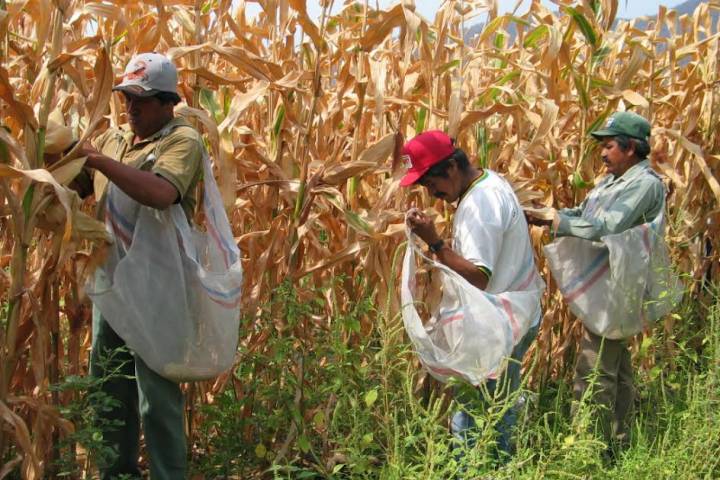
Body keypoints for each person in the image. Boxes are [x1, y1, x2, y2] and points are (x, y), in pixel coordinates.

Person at [76, 52, 204, 479]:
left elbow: (161, 193)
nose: (130, 108)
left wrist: (97, 160)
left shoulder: (181, 141)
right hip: (112, 283)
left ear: (168, 102)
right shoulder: (114, 141)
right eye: (126, 98)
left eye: (141, 100)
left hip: (159, 288)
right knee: (109, 388)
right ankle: (117, 473)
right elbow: (82, 185)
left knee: (156, 395)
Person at [526, 111, 665, 453]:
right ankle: (618, 444)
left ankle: (585, 449)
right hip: (606, 282)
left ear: (631, 148)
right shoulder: (610, 181)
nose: (602, 153)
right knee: (616, 366)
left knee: (594, 367)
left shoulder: (645, 184)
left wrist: (556, 221)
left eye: (609, 146)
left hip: (619, 285)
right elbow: (585, 214)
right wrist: (546, 214)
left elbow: (608, 227)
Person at [401, 130, 544, 460]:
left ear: (451, 167)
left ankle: (486, 469)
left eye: (431, 183)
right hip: (507, 317)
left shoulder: (480, 205)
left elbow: (479, 277)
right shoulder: (487, 183)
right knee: (491, 408)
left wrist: (434, 242)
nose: (432, 193)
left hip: (502, 323)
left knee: (481, 415)